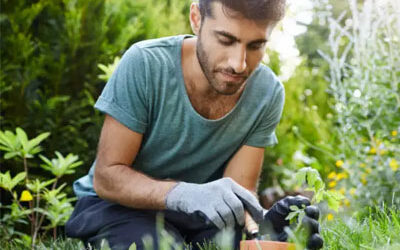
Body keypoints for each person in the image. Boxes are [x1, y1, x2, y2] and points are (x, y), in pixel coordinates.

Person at [65, 0, 323, 249]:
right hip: (116, 206)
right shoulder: (145, 64)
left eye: (255, 46)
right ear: (196, 19)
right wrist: (182, 194)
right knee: (155, 244)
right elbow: (107, 178)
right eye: (225, 39)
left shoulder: (267, 93)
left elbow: (237, 195)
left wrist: (264, 227)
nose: (239, 64)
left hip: (198, 217)